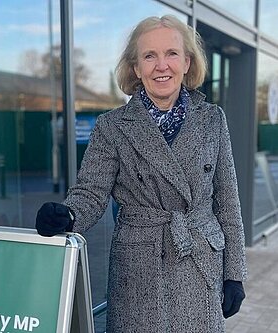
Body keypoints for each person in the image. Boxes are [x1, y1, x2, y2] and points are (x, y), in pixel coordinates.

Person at [36, 15, 247, 332]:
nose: (161, 65)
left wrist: (234, 272)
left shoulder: (213, 119)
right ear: (136, 68)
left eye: (171, 54)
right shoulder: (112, 126)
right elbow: (91, 193)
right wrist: (66, 214)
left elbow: (227, 201)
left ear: (187, 62)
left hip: (200, 261)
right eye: (150, 56)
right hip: (138, 266)